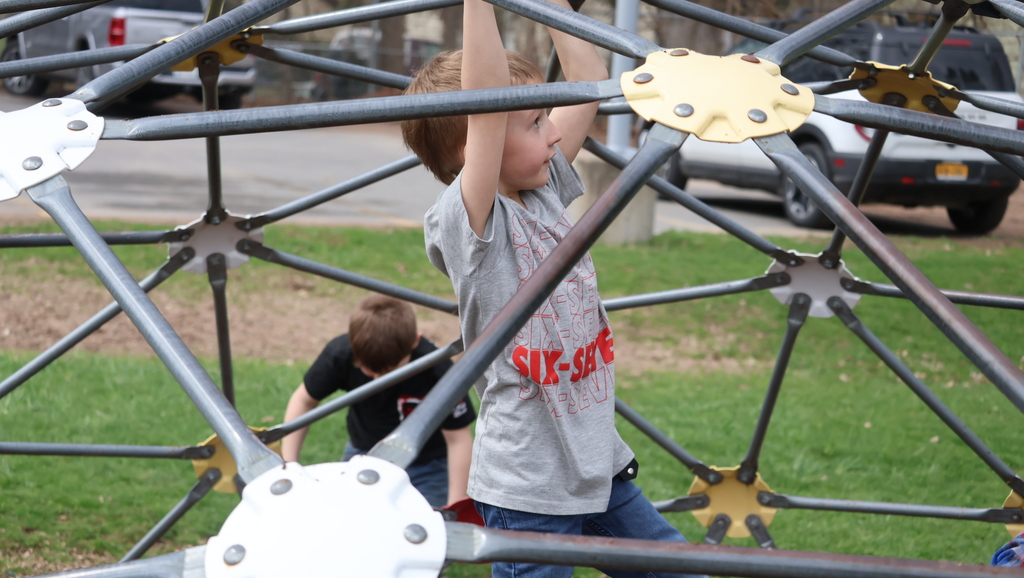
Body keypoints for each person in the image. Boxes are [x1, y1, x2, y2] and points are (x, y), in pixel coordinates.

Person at [402, 1, 700, 576]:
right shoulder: (473, 225)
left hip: (596, 467)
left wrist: (552, 5)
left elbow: (586, 83)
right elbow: (486, 104)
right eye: (535, 122)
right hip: (529, 485)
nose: (554, 131)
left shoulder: (541, 190)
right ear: (480, 145)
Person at [282, 293, 475, 508]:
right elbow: (304, 401)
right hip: (364, 455)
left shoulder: (438, 371)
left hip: (428, 465)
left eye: (389, 371)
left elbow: (458, 439)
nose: (378, 380)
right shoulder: (340, 355)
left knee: (424, 522)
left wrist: (455, 505)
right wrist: (289, 467)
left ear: (414, 341)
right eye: (368, 370)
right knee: (344, 515)